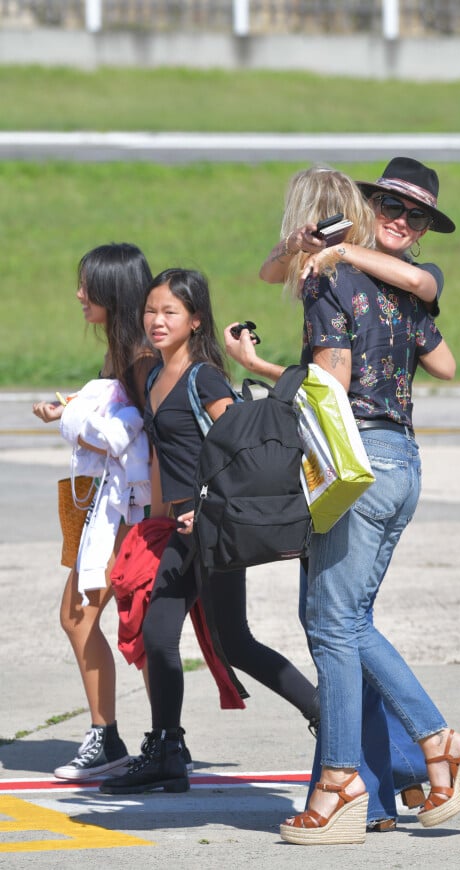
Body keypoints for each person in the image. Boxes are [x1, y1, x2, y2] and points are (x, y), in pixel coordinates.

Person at [224, 165, 460, 845]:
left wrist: (268, 375)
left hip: (358, 462)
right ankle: (380, 775)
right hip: (402, 462)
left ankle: (412, 755)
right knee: (339, 621)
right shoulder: (391, 284)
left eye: (417, 214)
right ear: (364, 208)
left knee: (334, 622)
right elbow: (444, 365)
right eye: (393, 207)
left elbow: (334, 382)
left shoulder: (330, 277)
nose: (405, 221)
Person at [99, 268, 320, 795]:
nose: (156, 320)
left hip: (212, 527)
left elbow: (241, 450)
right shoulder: (154, 376)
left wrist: (210, 510)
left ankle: (333, 724)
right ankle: (167, 750)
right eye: (151, 311)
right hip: (180, 528)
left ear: (195, 320)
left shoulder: (204, 379)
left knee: (234, 642)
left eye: (169, 312)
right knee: (162, 636)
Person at [32, 242, 157, 781]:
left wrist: (71, 417)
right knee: (123, 625)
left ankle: (136, 738)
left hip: (131, 514)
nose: (79, 295)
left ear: (114, 291)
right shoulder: (123, 350)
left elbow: (134, 438)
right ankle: (134, 736)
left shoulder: (142, 357)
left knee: (101, 620)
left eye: (89, 286)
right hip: (111, 508)